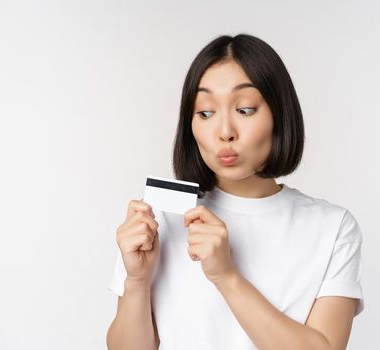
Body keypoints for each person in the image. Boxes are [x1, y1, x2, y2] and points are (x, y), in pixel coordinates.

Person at [106, 33, 365, 350]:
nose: (225, 132)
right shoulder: (160, 216)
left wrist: (227, 276)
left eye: (244, 110)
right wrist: (136, 281)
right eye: (205, 113)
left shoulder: (332, 228)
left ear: (278, 116)